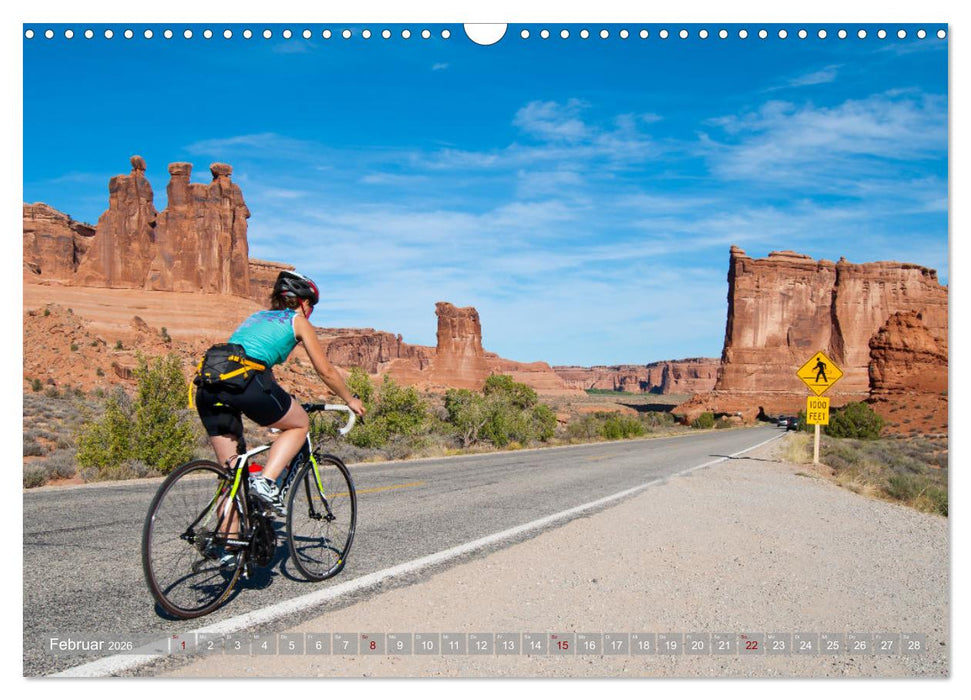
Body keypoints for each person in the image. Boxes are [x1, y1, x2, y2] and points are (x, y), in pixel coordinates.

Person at [195, 270, 366, 523]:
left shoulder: (255, 317)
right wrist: (349, 399)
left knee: (231, 476)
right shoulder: (297, 321)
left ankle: (228, 550)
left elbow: (255, 361)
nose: (310, 310)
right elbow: (325, 371)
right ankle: (266, 482)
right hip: (246, 382)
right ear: (302, 302)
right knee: (299, 424)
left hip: (208, 386)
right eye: (311, 305)